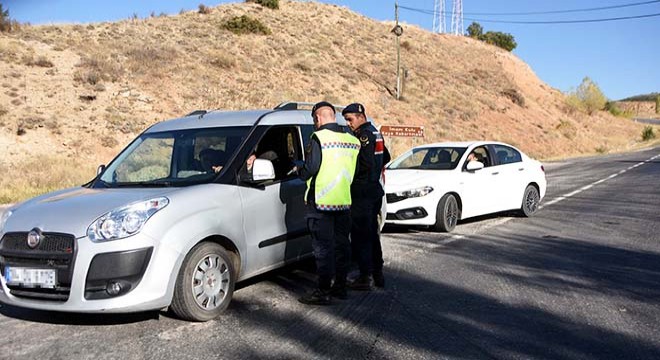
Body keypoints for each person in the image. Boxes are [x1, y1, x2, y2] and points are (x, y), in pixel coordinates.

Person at [294, 101, 360, 305]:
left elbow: (311, 168)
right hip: (343, 201)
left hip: (321, 203)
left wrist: (298, 170)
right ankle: (340, 287)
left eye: (314, 120)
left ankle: (323, 292)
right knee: (342, 246)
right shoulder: (352, 140)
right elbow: (353, 171)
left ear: (318, 118)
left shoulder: (319, 138)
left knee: (323, 250)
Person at [342, 103, 390, 290]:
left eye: (350, 119)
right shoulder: (376, 131)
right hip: (374, 190)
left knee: (361, 236)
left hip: (363, 192)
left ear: (361, 116)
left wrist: (353, 175)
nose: (348, 124)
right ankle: (377, 273)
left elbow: (365, 163)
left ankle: (365, 277)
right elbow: (385, 157)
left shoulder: (363, 135)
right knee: (371, 234)